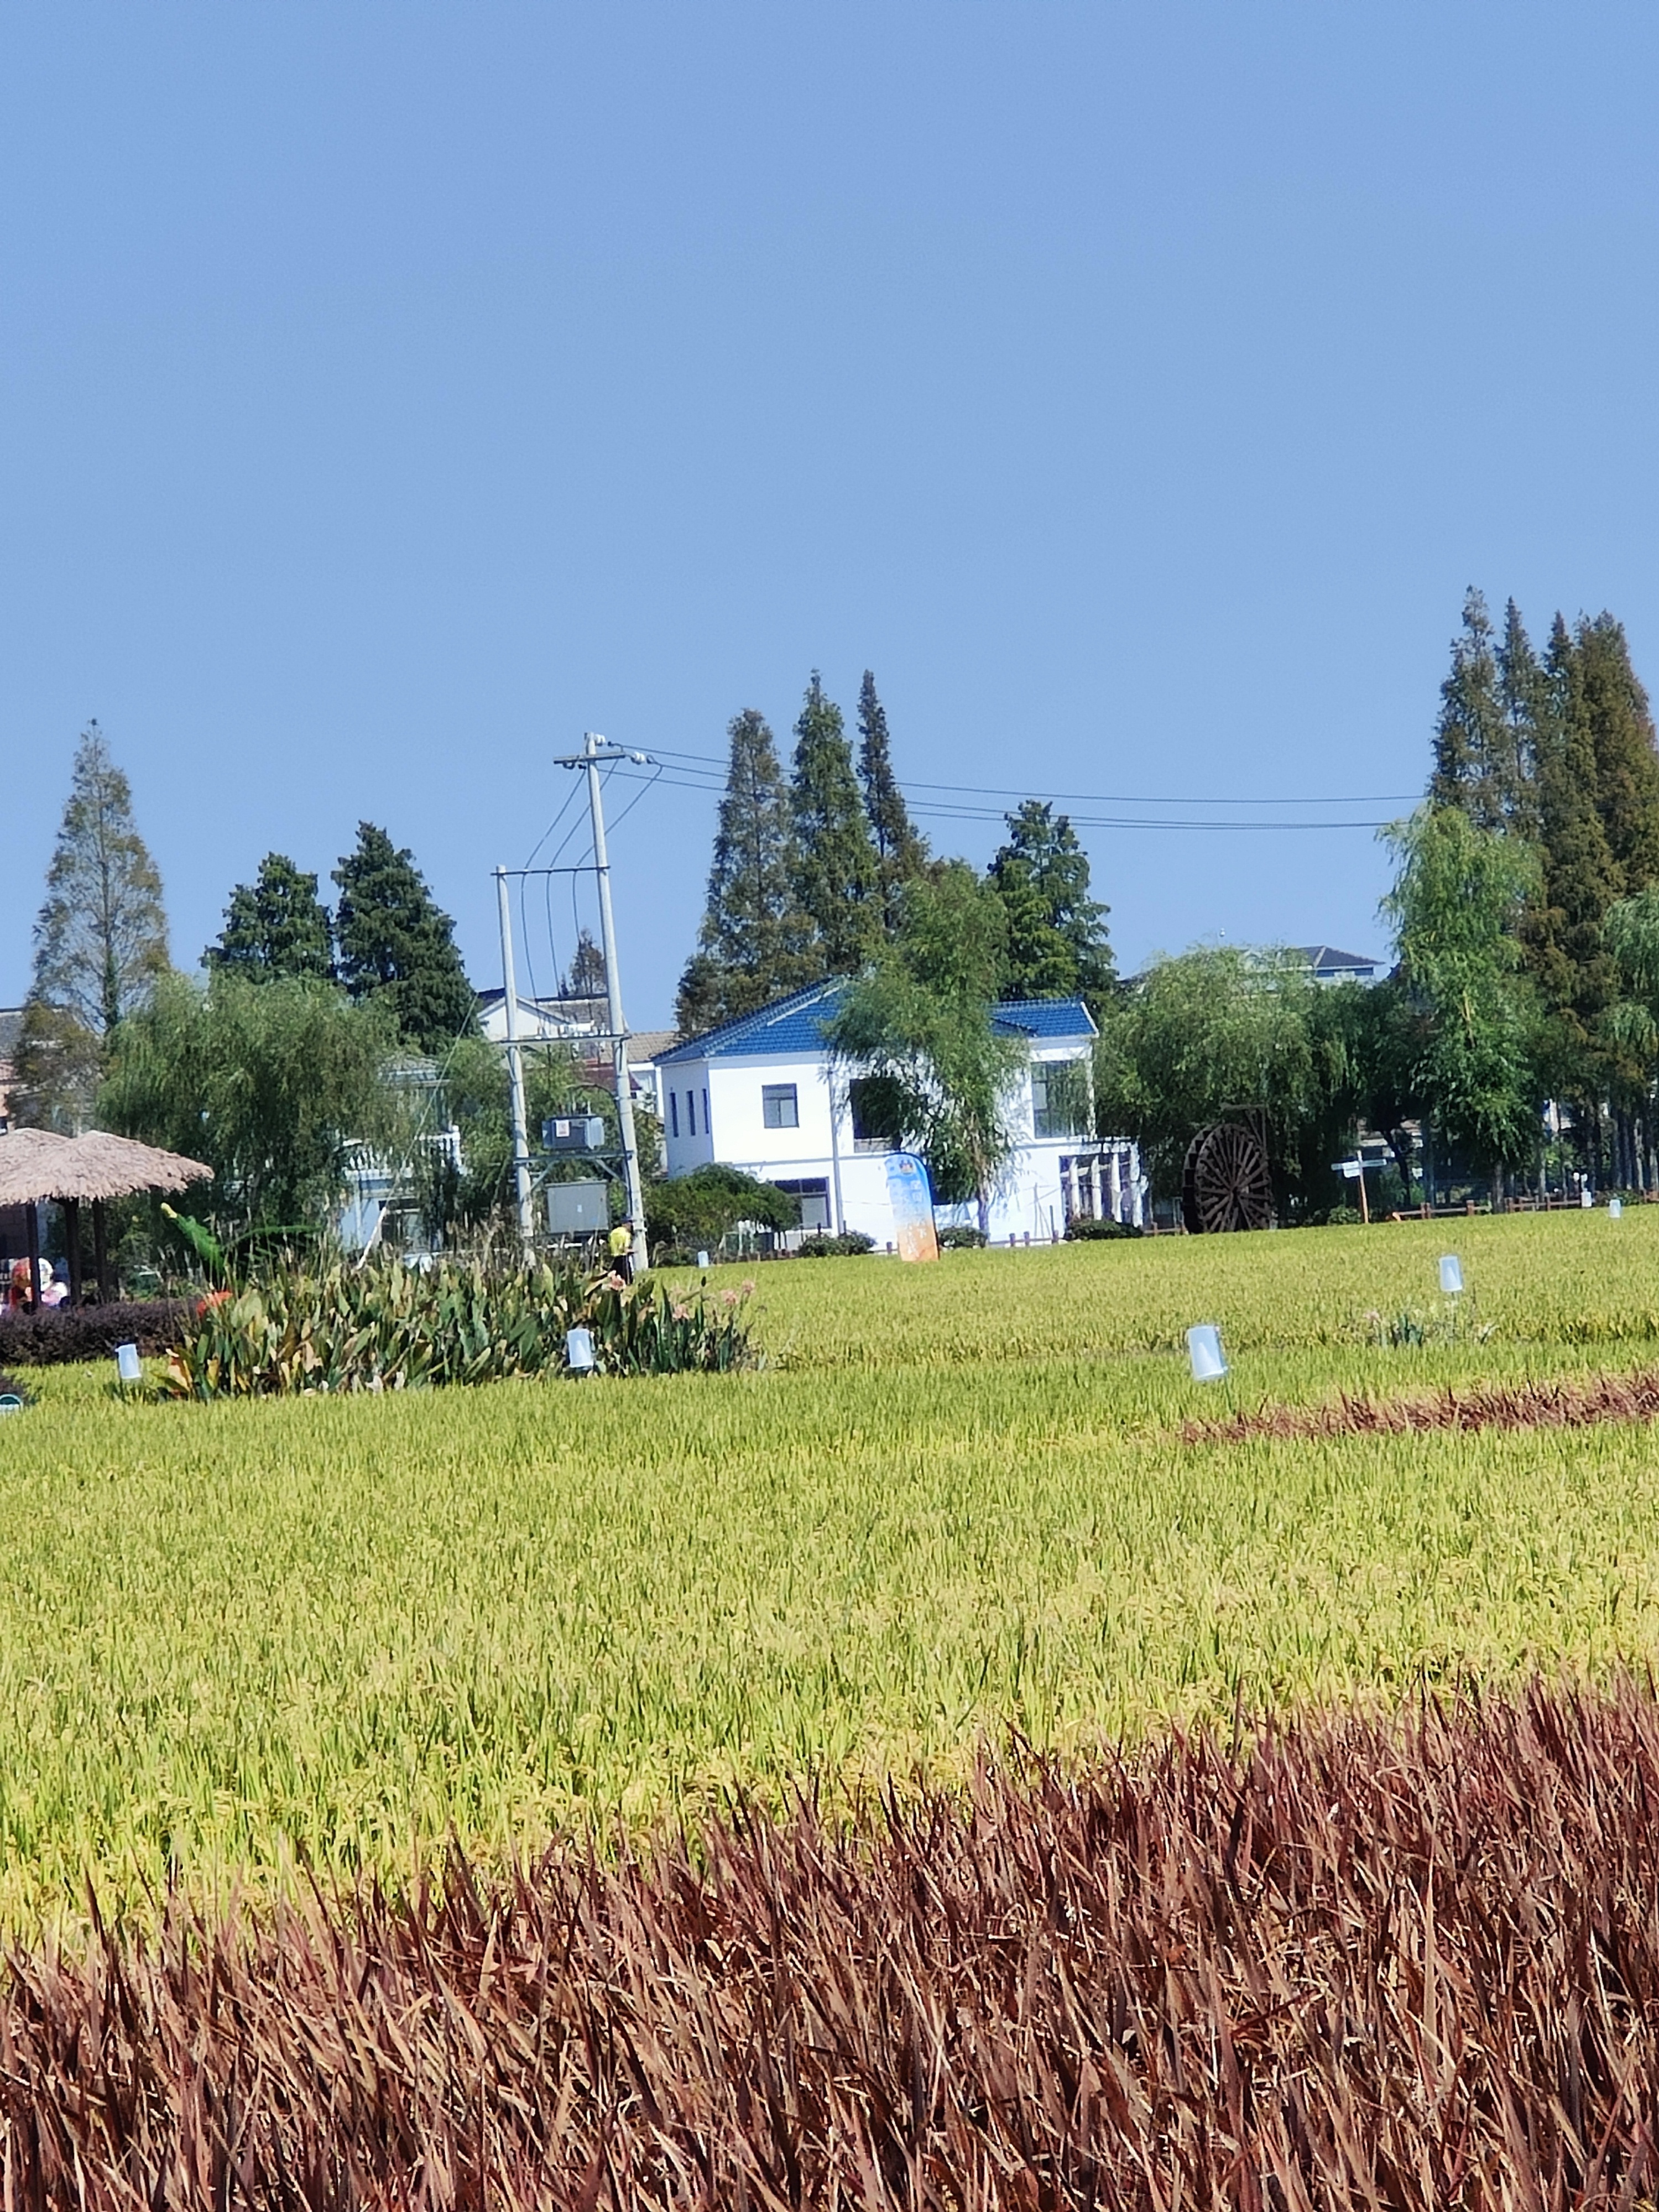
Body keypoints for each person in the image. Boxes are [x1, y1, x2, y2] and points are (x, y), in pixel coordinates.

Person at [606, 1220, 635, 1285]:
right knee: (628, 1280)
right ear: (626, 1225)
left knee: (614, 1278)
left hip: (615, 1258)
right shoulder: (627, 1234)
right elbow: (625, 1249)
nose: (631, 1226)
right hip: (623, 1258)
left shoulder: (613, 1233)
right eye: (630, 1224)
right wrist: (633, 1251)